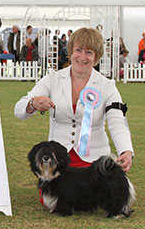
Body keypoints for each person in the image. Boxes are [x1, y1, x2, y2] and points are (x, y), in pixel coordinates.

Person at [15, 28, 133, 178]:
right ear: (70, 51)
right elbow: (18, 111)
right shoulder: (52, 79)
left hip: (94, 164)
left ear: (96, 56)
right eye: (78, 50)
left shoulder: (107, 86)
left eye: (89, 52)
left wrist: (126, 150)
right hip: (57, 162)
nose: (82, 57)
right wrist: (33, 103)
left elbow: (117, 122)